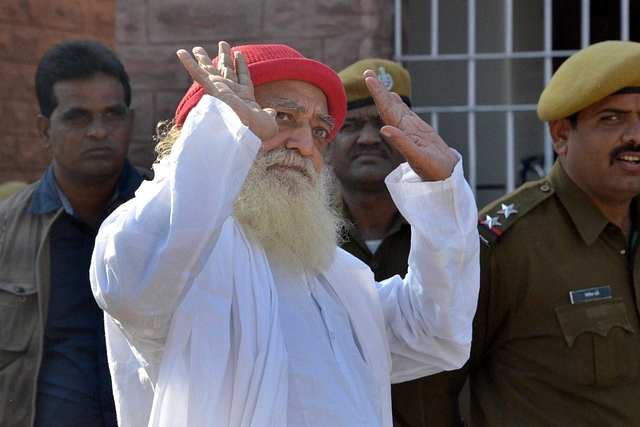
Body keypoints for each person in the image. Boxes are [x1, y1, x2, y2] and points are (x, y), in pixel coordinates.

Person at [90, 41, 480, 427]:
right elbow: (134, 280)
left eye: (320, 130)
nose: (304, 145)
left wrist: (441, 189)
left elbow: (435, 333)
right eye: (281, 118)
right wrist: (225, 129)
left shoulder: (338, 279)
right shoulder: (166, 250)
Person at [430, 40, 640, 426]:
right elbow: (426, 393)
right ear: (560, 135)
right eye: (612, 118)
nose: (635, 136)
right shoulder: (504, 245)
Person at [0, 40, 147, 426]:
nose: (99, 131)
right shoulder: (5, 232)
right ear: (44, 130)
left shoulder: (167, 220)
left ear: (131, 121)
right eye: (78, 117)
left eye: (111, 115)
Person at [330, 59, 435, 427]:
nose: (370, 138)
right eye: (353, 125)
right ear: (327, 140)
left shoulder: (443, 232)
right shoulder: (299, 240)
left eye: (384, 124)